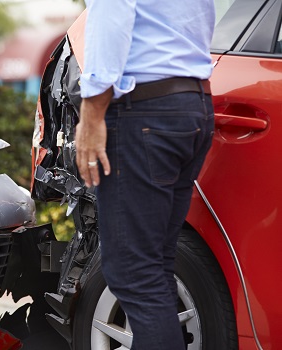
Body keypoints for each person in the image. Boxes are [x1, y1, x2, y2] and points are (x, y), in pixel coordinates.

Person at [74, 1, 215, 349]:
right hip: (191, 105)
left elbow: (112, 14)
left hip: (145, 113)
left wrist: (91, 113)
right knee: (155, 266)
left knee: (134, 272)